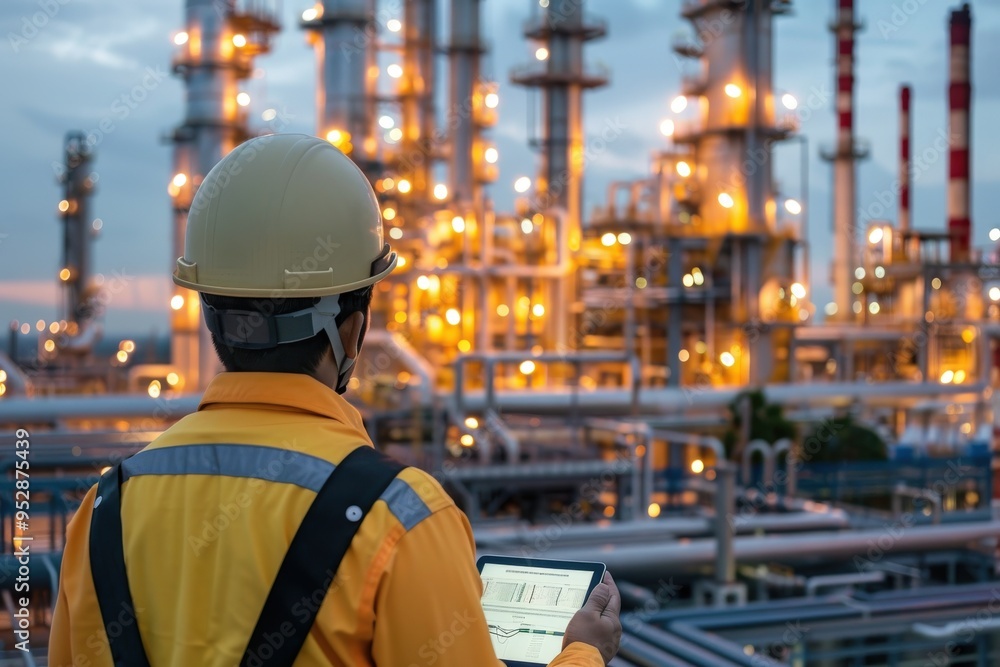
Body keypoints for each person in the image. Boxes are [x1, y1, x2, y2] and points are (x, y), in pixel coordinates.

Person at [49, 133, 622, 666]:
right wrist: (583, 653)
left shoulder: (104, 510)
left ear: (211, 314)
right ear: (350, 331)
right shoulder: (402, 518)